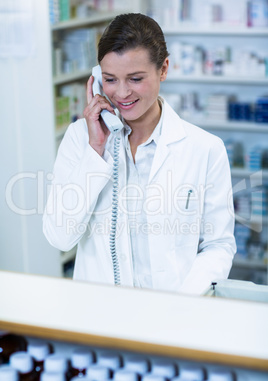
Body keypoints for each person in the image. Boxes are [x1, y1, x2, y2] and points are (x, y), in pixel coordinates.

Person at [43, 13, 236, 295]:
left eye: (135, 78)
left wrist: (183, 302)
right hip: (98, 317)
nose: (122, 93)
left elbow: (218, 245)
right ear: (96, 79)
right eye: (109, 79)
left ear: (163, 69)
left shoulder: (205, 148)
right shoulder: (79, 139)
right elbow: (60, 237)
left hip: (175, 316)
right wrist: (96, 152)